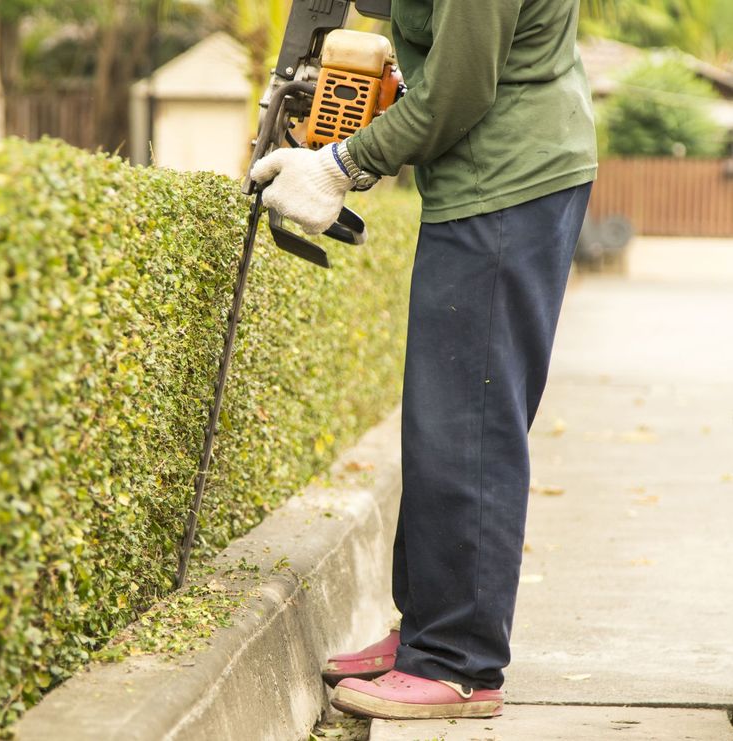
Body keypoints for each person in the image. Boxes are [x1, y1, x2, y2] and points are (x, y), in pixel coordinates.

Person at [250, 0, 597, 721]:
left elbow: (458, 90)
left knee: (471, 426)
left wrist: (340, 164)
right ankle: (428, 633)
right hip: (488, 183)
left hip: (506, 183)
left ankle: (458, 663)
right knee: (441, 419)